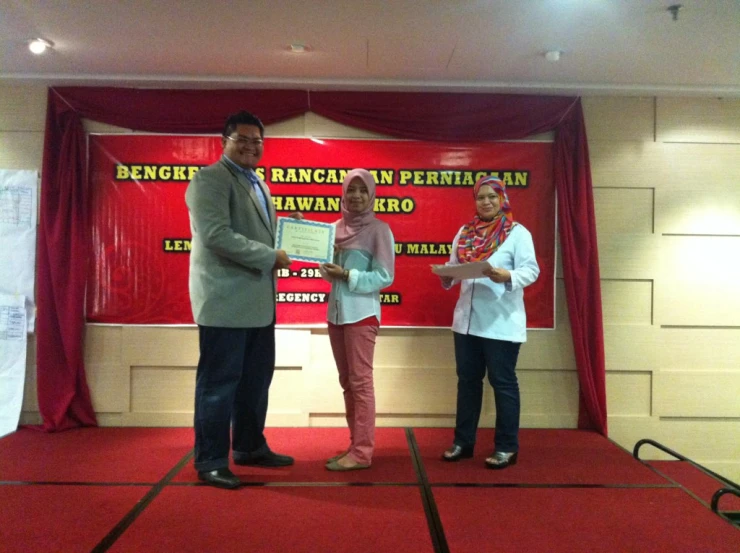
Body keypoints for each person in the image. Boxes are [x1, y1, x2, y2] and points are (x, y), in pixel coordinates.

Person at [185, 110, 294, 489]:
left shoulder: (259, 183)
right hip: (224, 303)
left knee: (254, 382)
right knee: (218, 386)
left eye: (256, 141)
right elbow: (216, 235)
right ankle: (211, 460)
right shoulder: (209, 180)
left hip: (258, 304)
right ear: (224, 142)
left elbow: (261, 236)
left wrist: (289, 236)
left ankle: (249, 446)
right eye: (242, 139)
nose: (250, 146)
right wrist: (270, 256)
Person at [435, 175, 539, 469]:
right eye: (481, 197)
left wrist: (507, 276)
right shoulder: (465, 233)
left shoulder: (517, 233)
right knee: (467, 383)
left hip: (501, 323)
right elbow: (455, 268)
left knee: (503, 383)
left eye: (492, 196)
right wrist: (447, 276)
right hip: (466, 323)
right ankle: (463, 442)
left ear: (502, 199)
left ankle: (507, 447)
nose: (486, 202)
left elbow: (531, 271)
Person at [320, 169, 395, 471]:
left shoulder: (380, 230)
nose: (357, 196)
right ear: (343, 193)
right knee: (347, 383)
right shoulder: (334, 228)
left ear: (372, 194)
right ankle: (355, 444)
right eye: (352, 190)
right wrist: (329, 261)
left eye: (363, 191)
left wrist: (348, 274)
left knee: (361, 384)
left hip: (362, 315)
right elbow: (326, 272)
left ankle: (363, 453)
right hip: (336, 314)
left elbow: (385, 276)